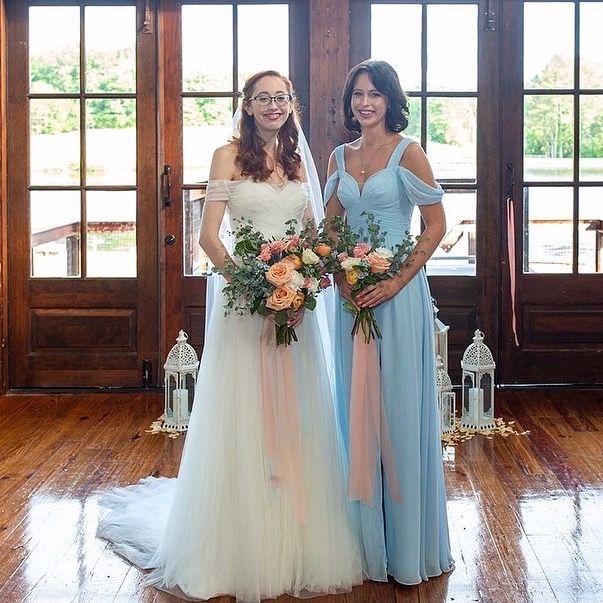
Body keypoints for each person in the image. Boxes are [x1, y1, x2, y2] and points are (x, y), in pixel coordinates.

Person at [97, 70, 363, 602]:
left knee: (298, 411)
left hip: (296, 307)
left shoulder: (298, 161)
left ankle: (297, 533)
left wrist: (304, 280)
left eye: (281, 97)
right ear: (247, 104)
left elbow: (313, 234)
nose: (273, 105)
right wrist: (253, 288)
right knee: (245, 409)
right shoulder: (226, 156)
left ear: (292, 104)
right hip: (246, 305)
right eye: (263, 98)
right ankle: (240, 536)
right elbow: (208, 237)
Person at [324, 59, 454, 585]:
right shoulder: (339, 156)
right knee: (355, 411)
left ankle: (405, 546)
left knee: (398, 411)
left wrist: (396, 281)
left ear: (390, 100)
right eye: (357, 94)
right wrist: (341, 275)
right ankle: (363, 543)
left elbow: (436, 224)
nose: (365, 102)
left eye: (374, 94)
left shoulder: (409, 152)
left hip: (397, 297)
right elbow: (331, 228)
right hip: (351, 297)